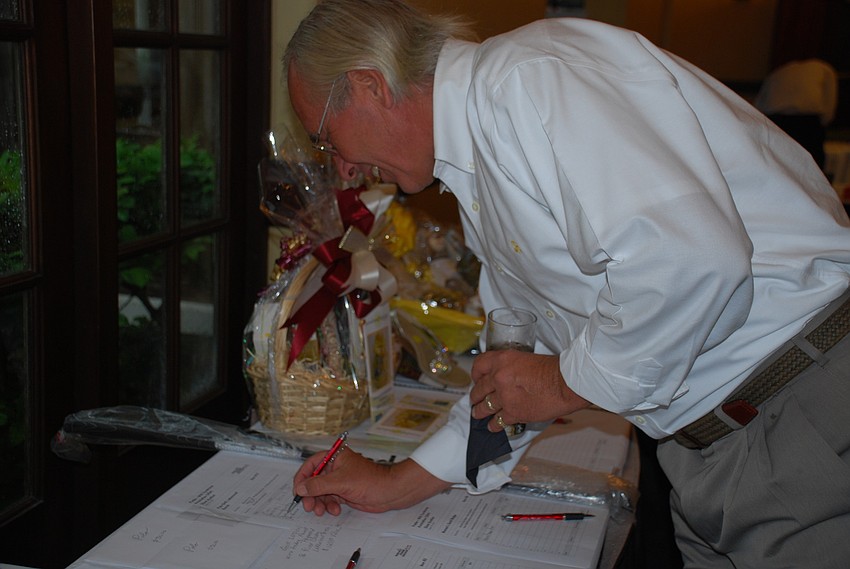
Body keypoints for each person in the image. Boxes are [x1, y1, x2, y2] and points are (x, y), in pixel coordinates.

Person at [283, 1, 850, 567]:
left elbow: (694, 262)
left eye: (327, 140)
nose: (345, 170)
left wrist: (558, 384)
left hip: (798, 402)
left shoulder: (531, 77)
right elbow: (518, 369)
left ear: (369, 85)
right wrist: (395, 483)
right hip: (710, 447)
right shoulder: (474, 167)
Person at [755, 58, 839, 169]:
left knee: (777, 164)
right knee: (811, 167)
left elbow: (759, 104)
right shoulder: (824, 69)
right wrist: (822, 124)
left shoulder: (780, 71)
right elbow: (829, 101)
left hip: (775, 121)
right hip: (806, 121)